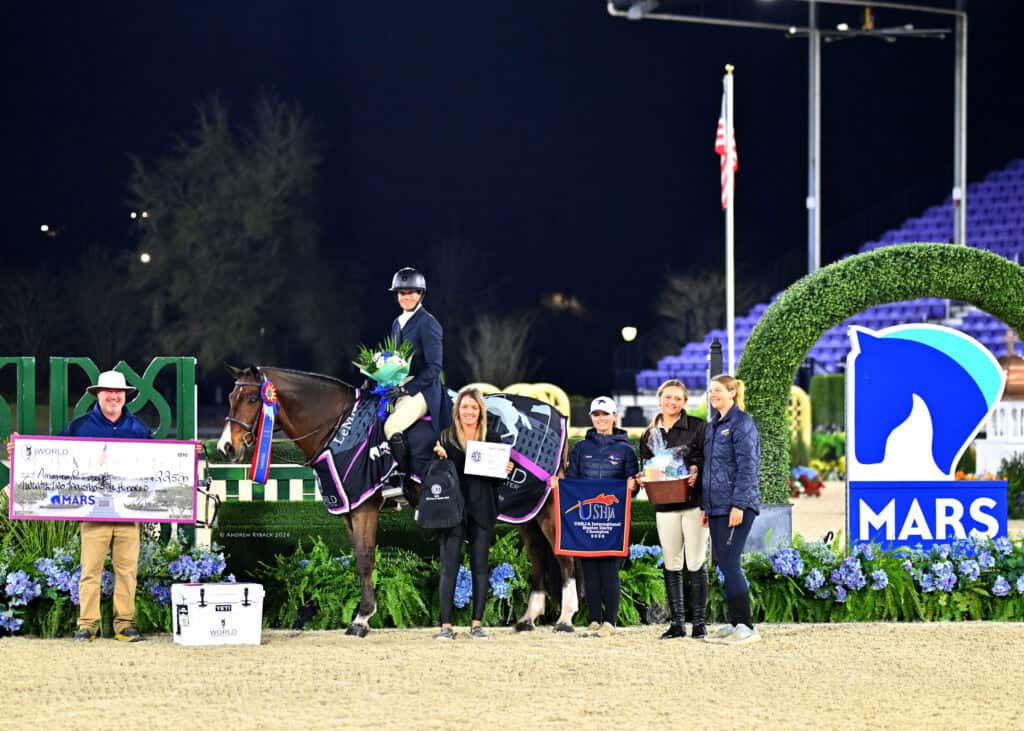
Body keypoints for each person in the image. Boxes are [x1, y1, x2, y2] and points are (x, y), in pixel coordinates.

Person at [431, 387, 512, 640]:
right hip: (452, 510)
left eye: (474, 407)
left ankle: (476, 624)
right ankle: (446, 626)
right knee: (449, 567)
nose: (469, 411)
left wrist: (506, 468)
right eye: (465, 407)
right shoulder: (445, 438)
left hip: (483, 509)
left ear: (481, 412)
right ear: (458, 410)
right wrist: (440, 458)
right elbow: (436, 475)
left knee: (480, 567)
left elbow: (497, 482)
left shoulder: (494, 438)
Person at [556, 396, 638, 638]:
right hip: (588, 520)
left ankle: (610, 622)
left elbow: (634, 486)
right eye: (596, 415)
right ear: (592, 418)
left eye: (605, 414)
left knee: (609, 570)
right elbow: (571, 481)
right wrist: (560, 485)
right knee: (589, 570)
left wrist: (633, 486)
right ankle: (594, 620)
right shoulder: (581, 448)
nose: (601, 419)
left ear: (614, 416)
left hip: (614, 521)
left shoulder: (626, 450)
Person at [637, 379, 708, 639]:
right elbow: (645, 465)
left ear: (685, 402)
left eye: (677, 398)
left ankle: (699, 623)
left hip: (693, 503)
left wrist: (695, 470)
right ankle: (677, 623)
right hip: (665, 505)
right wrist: (643, 477)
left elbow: (706, 461)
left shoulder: (699, 428)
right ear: (659, 400)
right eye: (668, 397)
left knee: (696, 561)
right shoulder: (648, 435)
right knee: (672, 562)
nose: (672, 402)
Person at [702, 374, 761, 645]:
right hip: (716, 507)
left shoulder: (742, 423)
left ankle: (746, 626)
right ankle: (735, 621)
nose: (713, 395)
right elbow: (710, 470)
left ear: (732, 393)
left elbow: (748, 467)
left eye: (718, 391)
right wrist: (706, 505)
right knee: (724, 565)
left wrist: (739, 504)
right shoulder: (713, 426)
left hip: (736, 506)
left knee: (730, 563)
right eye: (711, 391)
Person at [382, 267, 451, 477]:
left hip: (424, 389)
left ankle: (404, 479)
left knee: (392, 426)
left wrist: (406, 388)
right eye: (402, 293)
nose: (406, 297)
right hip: (400, 387)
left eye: (411, 292)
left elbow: (434, 367)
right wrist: (378, 377)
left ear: (420, 294)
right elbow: (396, 361)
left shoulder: (428, 324)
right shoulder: (397, 323)